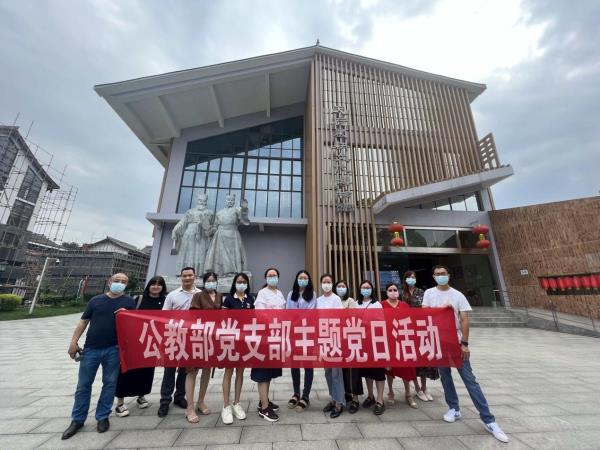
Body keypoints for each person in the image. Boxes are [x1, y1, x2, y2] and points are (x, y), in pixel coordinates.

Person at [423, 265, 509, 444]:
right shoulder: (429, 293)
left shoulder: (457, 295)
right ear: (433, 276)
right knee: (445, 376)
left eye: (443, 274)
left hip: (455, 341)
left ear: (449, 275)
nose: (440, 276)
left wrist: (465, 343)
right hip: (439, 341)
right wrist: (442, 309)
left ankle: (489, 420)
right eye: (437, 274)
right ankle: (453, 408)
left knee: (469, 379)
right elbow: (425, 314)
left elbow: (464, 319)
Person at [62, 273, 135, 440]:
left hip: (114, 349)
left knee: (109, 384)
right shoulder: (96, 300)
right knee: (83, 385)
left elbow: (133, 325)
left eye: (123, 282)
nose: (120, 283)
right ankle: (77, 419)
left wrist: (127, 315)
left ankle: (102, 416)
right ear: (109, 282)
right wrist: (73, 342)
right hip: (91, 349)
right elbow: (83, 321)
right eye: (117, 281)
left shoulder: (129, 302)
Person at [114, 276, 167, 417]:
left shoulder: (165, 301)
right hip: (134, 340)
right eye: (153, 284)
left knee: (146, 371)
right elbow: (128, 316)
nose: (156, 287)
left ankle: (141, 395)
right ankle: (120, 402)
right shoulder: (139, 299)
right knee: (126, 370)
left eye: (159, 284)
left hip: (152, 342)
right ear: (148, 286)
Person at [158, 266, 200, 418]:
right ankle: (165, 400)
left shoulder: (200, 294)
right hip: (173, 336)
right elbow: (164, 316)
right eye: (184, 275)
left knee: (185, 369)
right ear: (181, 277)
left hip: (191, 337)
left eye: (190, 275)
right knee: (169, 369)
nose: (187, 278)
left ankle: (180, 396)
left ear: (195, 276)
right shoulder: (173, 295)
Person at [185, 271, 222, 423]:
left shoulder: (219, 296)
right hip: (198, 337)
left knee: (207, 370)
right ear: (204, 282)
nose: (211, 283)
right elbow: (193, 316)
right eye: (208, 280)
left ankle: (201, 401)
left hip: (212, 338)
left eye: (213, 280)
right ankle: (190, 407)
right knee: (192, 372)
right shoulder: (198, 296)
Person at [252, 267, 286, 422]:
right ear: (265, 278)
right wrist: (275, 319)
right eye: (270, 275)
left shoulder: (280, 293)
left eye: (275, 275)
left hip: (276, 337)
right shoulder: (262, 293)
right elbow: (260, 314)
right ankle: (264, 409)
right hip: (264, 337)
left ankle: (263, 400)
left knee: (269, 372)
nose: (272, 277)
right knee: (262, 373)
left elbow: (284, 313)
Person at [220, 273, 254, 424]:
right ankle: (226, 406)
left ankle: (237, 403)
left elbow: (253, 319)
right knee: (229, 371)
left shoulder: (250, 299)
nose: (241, 284)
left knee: (240, 371)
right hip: (230, 340)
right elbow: (223, 319)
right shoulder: (228, 299)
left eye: (244, 282)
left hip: (244, 341)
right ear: (234, 283)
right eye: (239, 281)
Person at [402, 270, 438, 402]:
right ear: (405, 279)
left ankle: (424, 387)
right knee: (412, 359)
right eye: (409, 277)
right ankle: (417, 388)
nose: (411, 279)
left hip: (421, 328)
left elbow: (426, 308)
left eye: (413, 277)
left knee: (423, 358)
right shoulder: (402, 293)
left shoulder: (421, 292)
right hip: (407, 328)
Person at [382, 282, 418, 409]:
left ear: (398, 291)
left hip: (403, 340)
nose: (393, 292)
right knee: (389, 369)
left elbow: (411, 321)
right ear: (386, 292)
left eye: (395, 289)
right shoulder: (382, 305)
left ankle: (408, 393)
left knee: (406, 367)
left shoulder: (404, 305)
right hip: (388, 341)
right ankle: (390, 392)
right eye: (390, 290)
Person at [286, 270, 316, 412]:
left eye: (305, 278)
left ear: (308, 280)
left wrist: (296, 319)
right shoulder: (291, 294)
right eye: (300, 277)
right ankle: (296, 393)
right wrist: (295, 320)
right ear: (296, 279)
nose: (302, 280)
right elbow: (287, 312)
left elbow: (310, 313)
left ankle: (306, 396)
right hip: (293, 333)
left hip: (307, 333)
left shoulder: (312, 294)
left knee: (308, 364)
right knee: (295, 364)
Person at [356, 280, 386, 415]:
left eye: (368, 287)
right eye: (363, 287)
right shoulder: (356, 304)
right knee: (367, 371)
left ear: (372, 289)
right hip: (362, 342)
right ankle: (370, 396)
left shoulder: (377, 304)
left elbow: (381, 323)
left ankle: (380, 400)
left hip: (375, 342)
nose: (365, 289)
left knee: (378, 372)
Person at [318, 274, 346, 418]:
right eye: (324, 282)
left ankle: (339, 402)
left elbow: (339, 318)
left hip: (334, 338)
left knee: (336, 373)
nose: (326, 284)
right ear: (321, 284)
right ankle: (333, 398)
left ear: (332, 284)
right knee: (328, 371)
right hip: (323, 339)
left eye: (329, 282)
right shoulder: (318, 300)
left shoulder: (336, 299)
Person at [336, 280, 363, 414]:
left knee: (353, 369)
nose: (341, 288)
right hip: (336, 339)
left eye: (343, 286)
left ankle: (355, 398)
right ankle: (345, 395)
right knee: (340, 371)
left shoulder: (350, 301)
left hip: (349, 338)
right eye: (339, 286)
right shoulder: (333, 300)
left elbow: (352, 317)